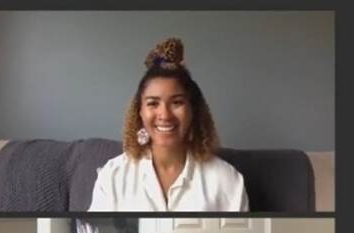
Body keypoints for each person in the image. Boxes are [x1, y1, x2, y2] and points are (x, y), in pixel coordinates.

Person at [88, 38, 248, 212]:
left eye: (176, 102)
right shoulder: (113, 176)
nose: (164, 115)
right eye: (153, 103)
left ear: (193, 110)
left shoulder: (227, 180)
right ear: (139, 112)